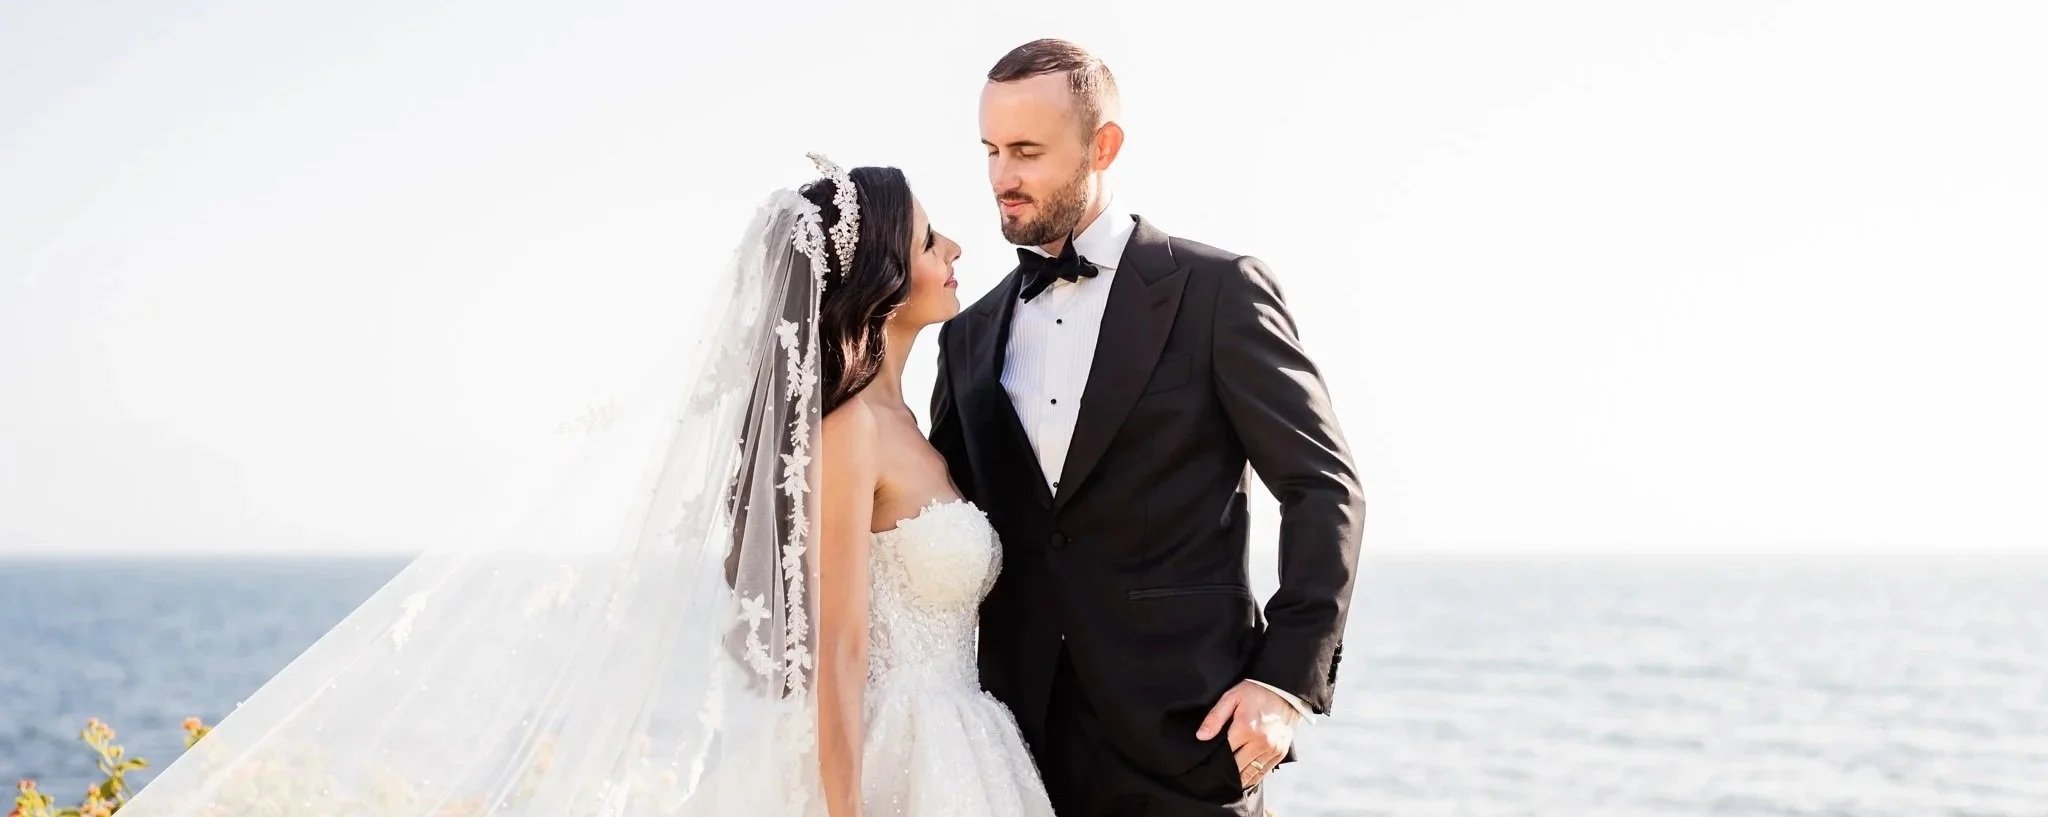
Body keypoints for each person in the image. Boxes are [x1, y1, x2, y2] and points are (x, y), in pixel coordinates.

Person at [110, 155, 1056, 817]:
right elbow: (842, 655)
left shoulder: (921, 428)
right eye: (932, 239)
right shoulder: (850, 436)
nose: (955, 251)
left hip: (965, 745)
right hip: (892, 761)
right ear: (883, 275)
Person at [931, 39, 1367, 816]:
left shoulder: (1219, 293)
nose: (1002, 177)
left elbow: (1322, 486)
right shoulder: (967, 335)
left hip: (1190, 743)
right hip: (1012, 755)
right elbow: (937, 520)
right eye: (991, 150)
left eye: (1027, 151)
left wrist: (1282, 683)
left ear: (1104, 146)